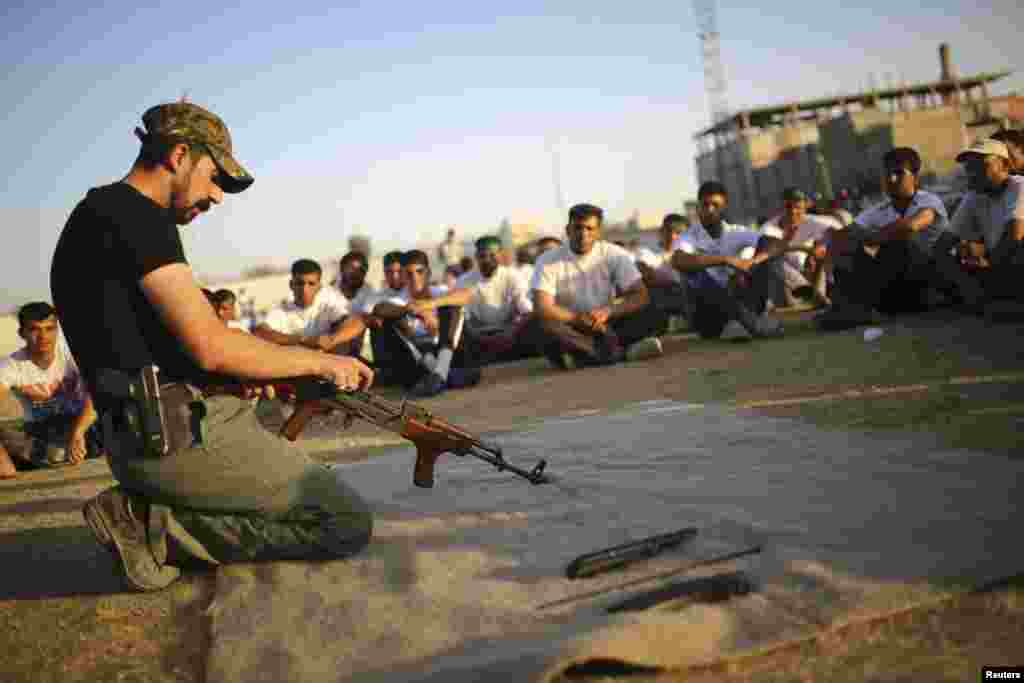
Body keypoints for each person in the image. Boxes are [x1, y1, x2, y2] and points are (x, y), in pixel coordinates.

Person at [50, 101, 374, 592]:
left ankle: (157, 511)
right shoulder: (135, 218)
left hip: (147, 429)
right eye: (214, 177)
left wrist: (254, 374)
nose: (217, 196)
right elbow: (211, 345)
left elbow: (154, 345)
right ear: (179, 155)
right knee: (342, 520)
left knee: (306, 473)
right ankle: (153, 528)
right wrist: (323, 362)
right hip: (171, 441)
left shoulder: (99, 215)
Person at [817, 147, 955, 330]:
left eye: (899, 173)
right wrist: (831, 243)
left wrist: (869, 237)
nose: (891, 179)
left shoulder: (928, 201)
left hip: (928, 278)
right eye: (887, 174)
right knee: (848, 248)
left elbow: (911, 226)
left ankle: (860, 310)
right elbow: (844, 235)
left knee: (900, 242)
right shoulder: (879, 210)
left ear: (915, 176)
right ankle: (849, 306)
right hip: (894, 283)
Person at [529, 203, 664, 369]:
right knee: (540, 325)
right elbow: (542, 307)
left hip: (608, 323)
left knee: (653, 304)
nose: (583, 234)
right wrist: (577, 318)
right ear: (568, 230)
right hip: (571, 326)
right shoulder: (547, 260)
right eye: (578, 228)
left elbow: (640, 295)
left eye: (589, 228)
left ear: (599, 232)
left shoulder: (614, 254)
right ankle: (621, 354)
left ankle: (584, 358)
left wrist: (608, 312)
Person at [670, 182, 788, 341]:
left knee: (768, 255)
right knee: (691, 270)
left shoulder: (736, 232)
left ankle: (743, 322)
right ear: (698, 207)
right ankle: (752, 324)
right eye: (705, 205)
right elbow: (677, 260)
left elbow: (778, 244)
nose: (710, 210)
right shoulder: (689, 236)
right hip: (708, 315)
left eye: (716, 205)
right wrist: (726, 260)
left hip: (742, 300)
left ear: (724, 207)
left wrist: (752, 262)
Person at [0, 303, 101, 478]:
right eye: (34, 330)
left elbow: (97, 393)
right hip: (41, 431)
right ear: (22, 333)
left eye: (49, 329)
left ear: (57, 330)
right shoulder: (11, 365)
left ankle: (60, 453)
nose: (43, 336)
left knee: (116, 405)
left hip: (82, 424)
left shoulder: (72, 354)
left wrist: (79, 431)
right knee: (8, 436)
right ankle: (53, 455)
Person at [369, 250, 481, 397]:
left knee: (452, 307)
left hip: (444, 352)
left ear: (428, 273)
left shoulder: (440, 292)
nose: (415, 278)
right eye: (409, 273)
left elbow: (467, 295)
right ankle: (442, 376)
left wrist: (429, 305)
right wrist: (412, 310)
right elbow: (379, 309)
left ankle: (439, 376)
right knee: (393, 318)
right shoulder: (399, 300)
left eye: (419, 272)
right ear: (403, 276)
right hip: (419, 360)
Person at [413, 236, 535, 366]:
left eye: (492, 255)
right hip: (477, 337)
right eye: (483, 256)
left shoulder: (513, 275)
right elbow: (462, 317)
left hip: (510, 333)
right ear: (476, 257)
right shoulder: (465, 280)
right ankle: (442, 368)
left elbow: (525, 307)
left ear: (500, 255)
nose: (487, 260)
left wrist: (513, 330)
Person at [938, 138, 1024, 318]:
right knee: (954, 257)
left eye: (980, 166)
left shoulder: (1020, 186)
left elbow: (1014, 236)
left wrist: (988, 267)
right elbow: (942, 246)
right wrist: (966, 284)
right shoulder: (975, 195)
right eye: (969, 168)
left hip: (1013, 261)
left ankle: (1001, 302)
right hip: (1001, 265)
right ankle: (993, 301)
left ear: (1005, 166)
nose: (972, 174)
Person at [254, 259, 367, 356]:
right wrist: (304, 340)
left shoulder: (327, 306)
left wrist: (331, 340)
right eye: (299, 283)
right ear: (291, 285)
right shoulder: (280, 310)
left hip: (326, 363)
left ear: (319, 287)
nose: (304, 289)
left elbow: (357, 323)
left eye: (311, 284)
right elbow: (260, 332)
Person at [760, 188, 837, 309]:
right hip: (786, 286)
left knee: (822, 255)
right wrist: (786, 242)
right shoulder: (768, 228)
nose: (793, 212)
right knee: (772, 262)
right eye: (788, 207)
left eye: (798, 208)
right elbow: (766, 253)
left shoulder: (815, 221)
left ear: (805, 207)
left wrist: (820, 246)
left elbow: (839, 232)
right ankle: (816, 298)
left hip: (812, 277)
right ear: (781, 208)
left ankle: (819, 297)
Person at [634, 213, 692, 323]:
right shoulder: (646, 250)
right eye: (669, 231)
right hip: (657, 296)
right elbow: (648, 275)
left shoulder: (690, 251)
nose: (673, 236)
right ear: (661, 231)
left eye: (679, 233)